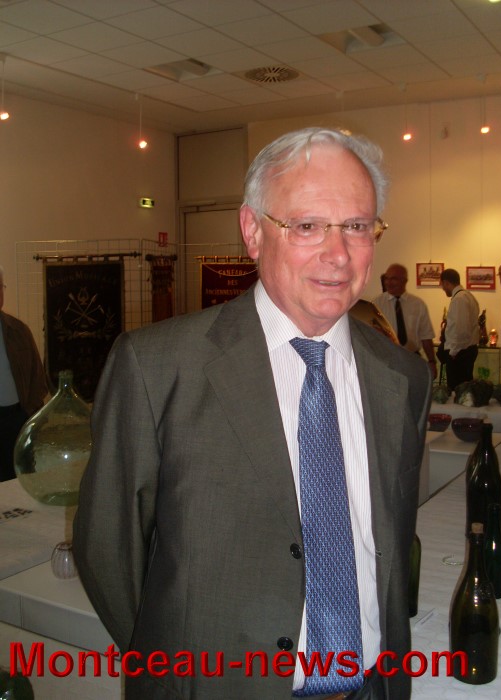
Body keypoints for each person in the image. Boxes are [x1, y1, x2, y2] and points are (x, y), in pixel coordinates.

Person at [73, 128, 432, 700]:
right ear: (252, 231)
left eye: (357, 226)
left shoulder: (404, 377)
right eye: (307, 226)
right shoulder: (157, 368)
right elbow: (107, 551)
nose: (338, 254)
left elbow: (387, 542)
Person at [0, 266, 48, 481]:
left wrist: (28, 416)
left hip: (16, 420)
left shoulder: (18, 330)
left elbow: (38, 379)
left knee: (21, 480)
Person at [373, 264, 437, 379]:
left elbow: (426, 336)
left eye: (394, 279)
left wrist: (432, 361)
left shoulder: (418, 304)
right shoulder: (377, 304)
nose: (389, 282)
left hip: (412, 359)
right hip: (387, 361)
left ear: (405, 281)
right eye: (387, 278)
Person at [439, 268, 480, 392]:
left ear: (446, 282)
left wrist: (453, 353)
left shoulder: (459, 299)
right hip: (467, 350)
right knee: (465, 390)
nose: (442, 288)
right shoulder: (468, 296)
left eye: (442, 285)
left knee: (457, 391)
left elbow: (460, 330)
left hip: (460, 353)